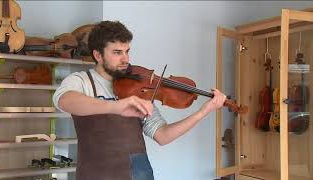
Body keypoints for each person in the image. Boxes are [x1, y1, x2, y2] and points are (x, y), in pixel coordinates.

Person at [53, 20, 226, 180]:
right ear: (98, 55)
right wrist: (115, 107)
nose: (125, 59)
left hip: (138, 174)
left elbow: (163, 136)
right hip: (96, 173)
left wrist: (203, 112)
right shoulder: (81, 81)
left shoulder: (137, 86)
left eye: (127, 51)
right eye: (117, 52)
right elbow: (64, 100)